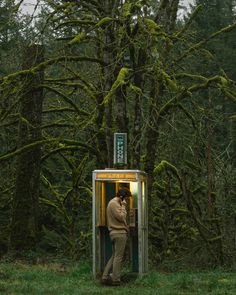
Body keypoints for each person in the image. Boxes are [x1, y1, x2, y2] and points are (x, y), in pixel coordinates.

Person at [101, 186, 132, 286]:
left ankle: (105, 277)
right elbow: (121, 216)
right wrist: (123, 206)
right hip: (119, 233)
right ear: (122, 197)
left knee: (114, 256)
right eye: (126, 198)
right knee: (119, 257)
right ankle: (116, 279)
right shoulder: (114, 203)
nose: (127, 201)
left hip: (115, 232)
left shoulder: (113, 203)